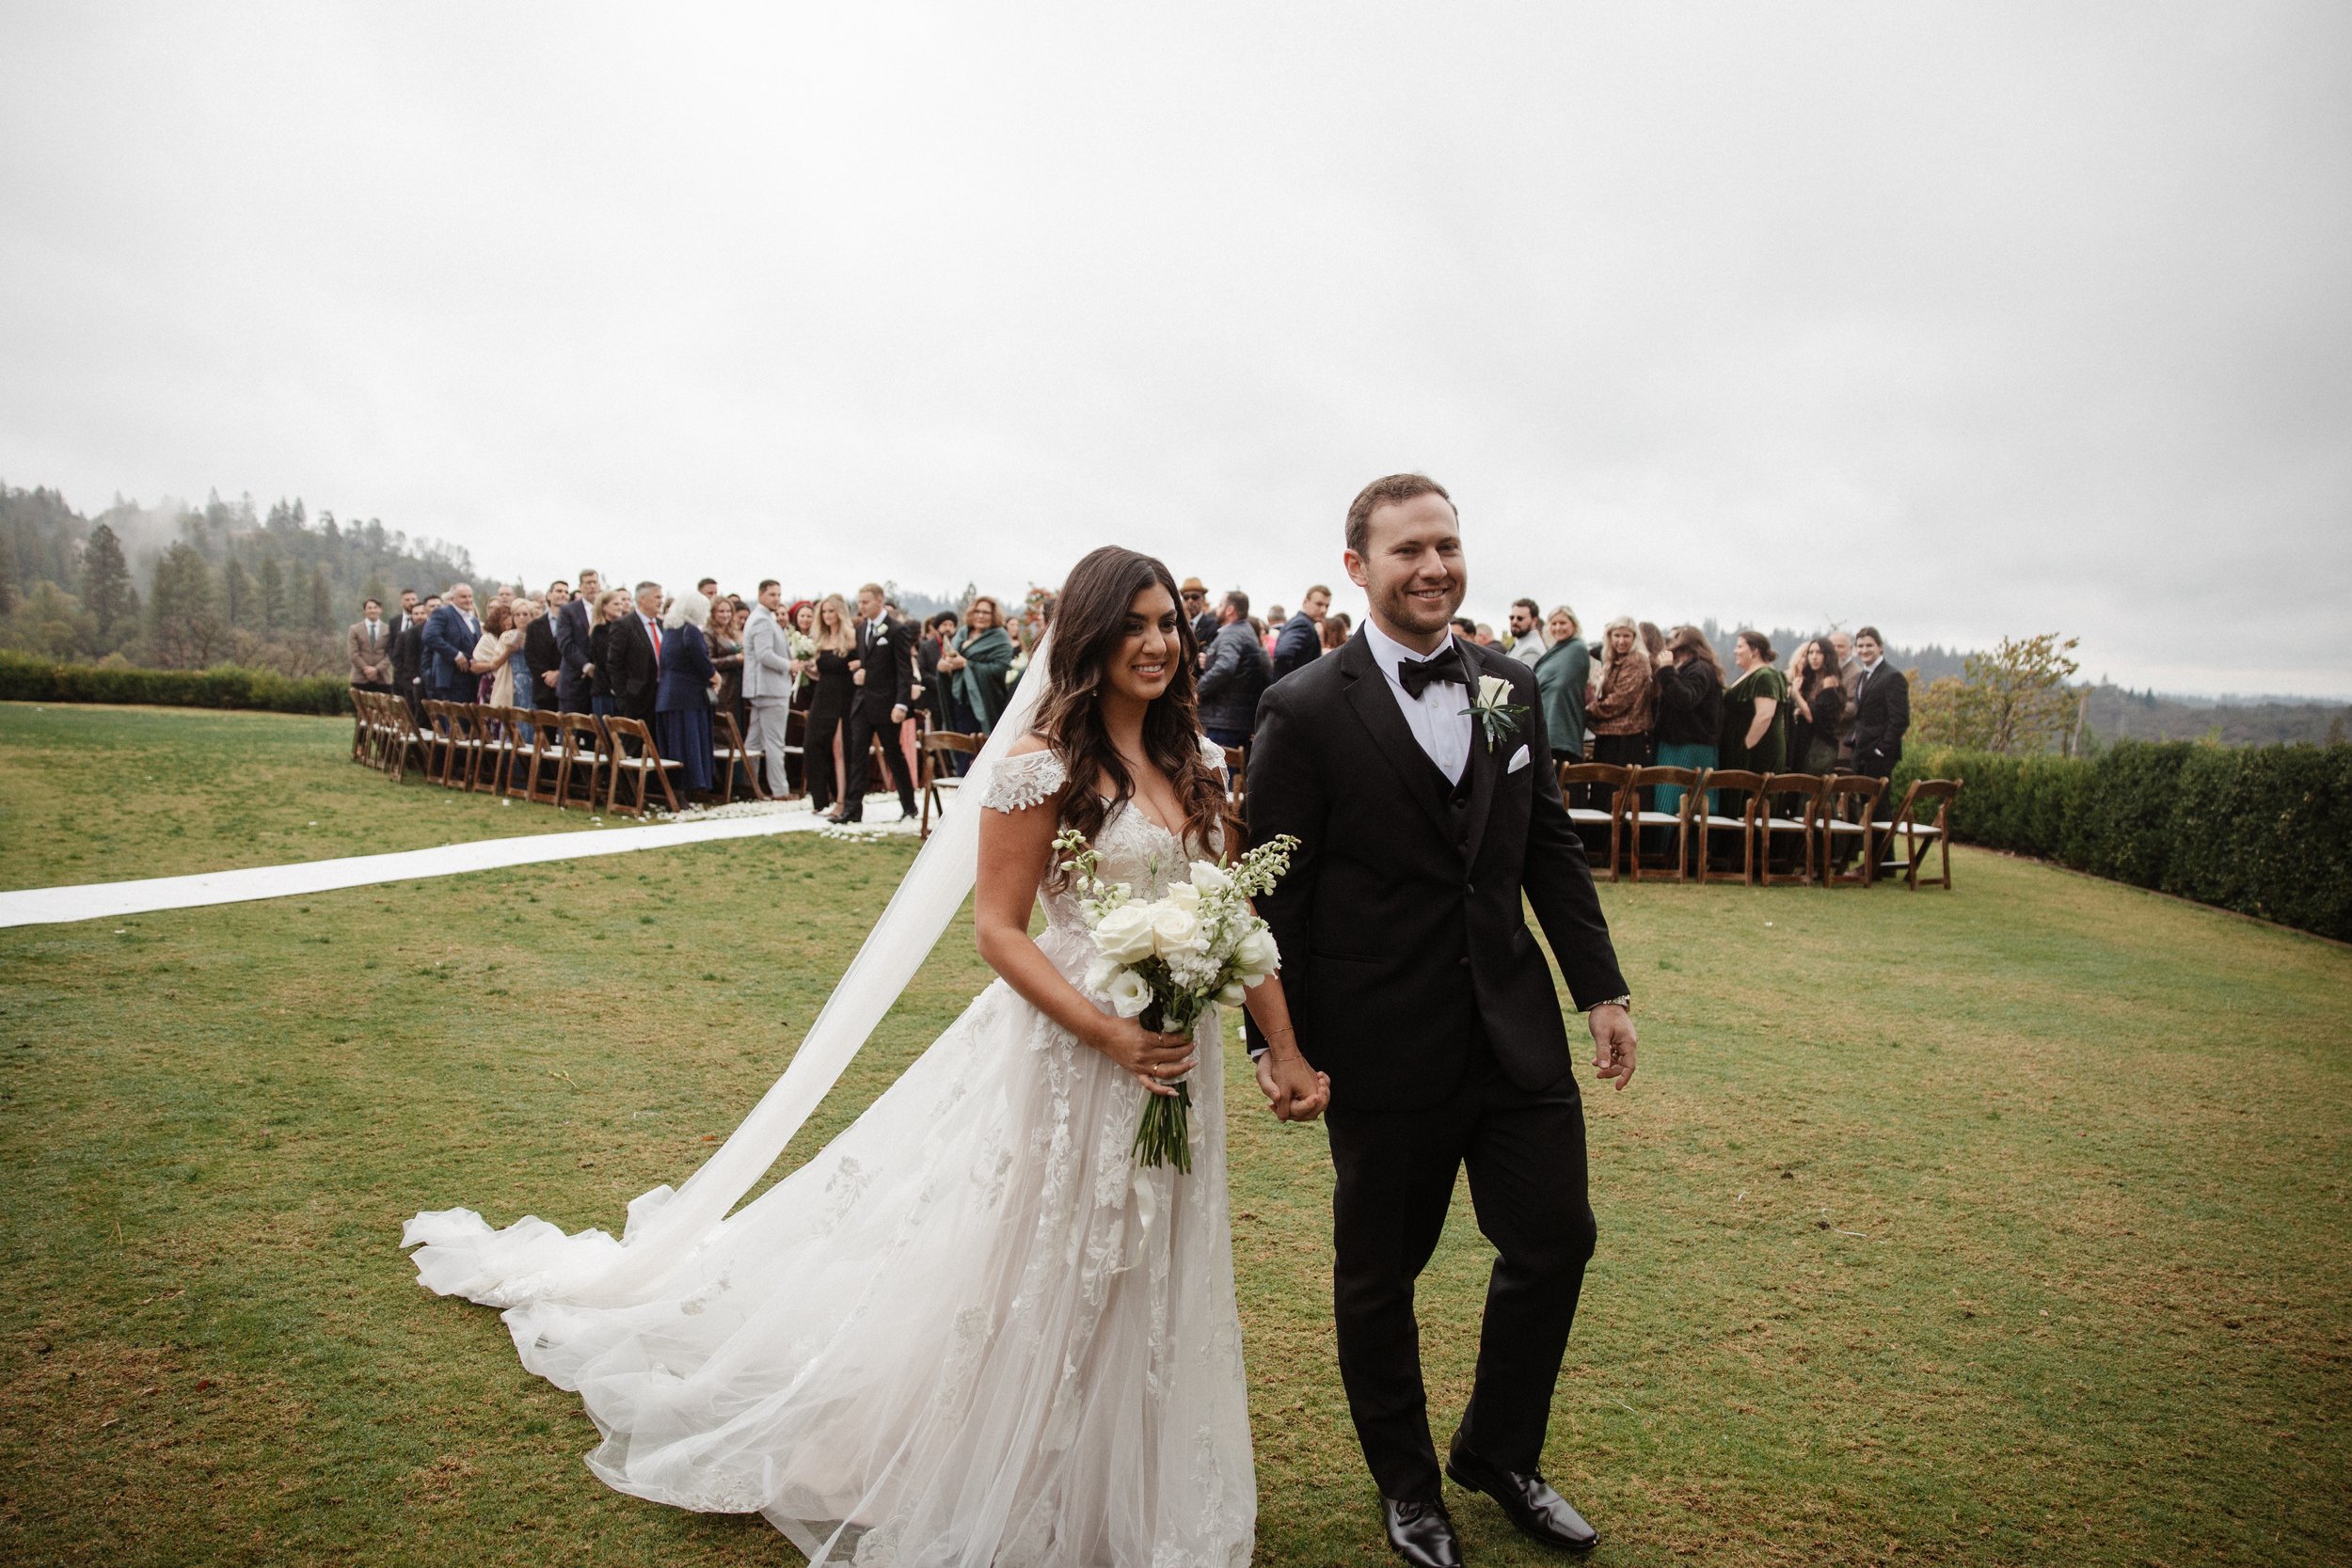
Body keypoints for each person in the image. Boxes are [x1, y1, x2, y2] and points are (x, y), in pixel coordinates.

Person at [407, 545, 1331, 1567]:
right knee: (1051, 1249)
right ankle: (1009, 1461)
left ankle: (1123, 1478)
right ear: (1089, 637)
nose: (1157, 643)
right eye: (1134, 625)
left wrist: (1283, 1049)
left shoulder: (1196, 759)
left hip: (1177, 1057)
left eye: (1167, 625)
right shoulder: (1040, 763)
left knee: (1152, 1253)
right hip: (1075, 1050)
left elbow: (1235, 914)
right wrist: (1109, 1031)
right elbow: (999, 930)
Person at [1246, 474, 1632, 1568]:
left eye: (1447, 545)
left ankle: (1498, 1451)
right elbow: (1273, 889)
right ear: (1356, 567)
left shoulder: (1509, 684)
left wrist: (1600, 990)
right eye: (1408, 548)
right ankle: (1408, 1485)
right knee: (1380, 1273)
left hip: (1513, 1028)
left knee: (1556, 1236)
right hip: (1378, 1042)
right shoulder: (1302, 707)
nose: (1434, 566)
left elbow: (1546, 844)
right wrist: (1277, 1041)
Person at [838, 583, 918, 824]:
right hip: (863, 703)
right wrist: (860, 674)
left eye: (865, 602)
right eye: (859, 602)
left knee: (893, 754)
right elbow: (868, 664)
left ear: (879, 601)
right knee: (857, 755)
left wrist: (901, 705)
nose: (861, 606)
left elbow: (904, 671)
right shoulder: (861, 629)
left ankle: (909, 806)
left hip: (887, 704)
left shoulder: (897, 630)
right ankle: (852, 810)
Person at [1650, 626, 1724, 821]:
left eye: (1674, 639)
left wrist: (1666, 671)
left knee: (1674, 803)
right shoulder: (1691, 668)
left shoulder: (1699, 668)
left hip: (1686, 747)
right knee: (1678, 803)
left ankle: (1676, 841)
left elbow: (1685, 699)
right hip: (1681, 744)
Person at [654, 589, 718, 795]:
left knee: (675, 744)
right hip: (689, 697)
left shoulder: (670, 630)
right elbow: (700, 659)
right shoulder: (691, 631)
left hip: (668, 695)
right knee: (689, 743)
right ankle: (691, 784)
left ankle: (678, 787)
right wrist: (714, 676)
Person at [1196, 588, 1272, 753]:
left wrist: (1198, 689)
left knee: (1220, 768)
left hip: (1225, 721)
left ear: (1230, 610)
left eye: (1221, 604)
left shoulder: (1232, 634)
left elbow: (1225, 666)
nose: (1218, 608)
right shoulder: (1244, 631)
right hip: (1233, 718)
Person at [803, 594, 857, 814]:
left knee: (840, 749)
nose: (827, 615)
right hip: (822, 695)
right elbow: (820, 672)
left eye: (831, 611)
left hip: (844, 696)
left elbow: (855, 666)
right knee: (812, 744)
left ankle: (842, 800)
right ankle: (820, 799)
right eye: (824, 611)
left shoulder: (851, 637)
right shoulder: (819, 638)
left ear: (840, 612)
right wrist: (808, 669)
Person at [742, 579, 798, 798]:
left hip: (764, 689)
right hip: (770, 689)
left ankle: (748, 786)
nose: (776, 599)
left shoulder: (765, 618)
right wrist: (789, 665)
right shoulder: (761, 620)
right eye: (772, 594)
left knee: (754, 741)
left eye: (779, 595)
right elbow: (764, 654)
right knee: (774, 742)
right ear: (761, 594)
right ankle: (780, 790)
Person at [1583, 616, 1654, 772]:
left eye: (1626, 636)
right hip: (1609, 735)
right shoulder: (1613, 661)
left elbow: (1619, 700)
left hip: (1626, 738)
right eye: (1617, 635)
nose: (1621, 641)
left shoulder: (1636, 661)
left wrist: (1588, 711)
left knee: (1618, 785)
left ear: (1634, 638)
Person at [942, 594, 1014, 738]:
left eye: (986, 612)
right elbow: (946, 661)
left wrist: (966, 664)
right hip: (958, 697)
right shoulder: (962, 633)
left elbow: (1000, 668)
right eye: (977, 611)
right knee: (959, 741)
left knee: (978, 744)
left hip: (985, 700)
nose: (981, 616)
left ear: (993, 615)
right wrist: (945, 665)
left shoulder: (1000, 637)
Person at [1849, 626, 1909, 791]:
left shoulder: (1892, 677)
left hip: (1880, 757)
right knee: (1862, 803)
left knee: (1878, 803)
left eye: (1869, 645)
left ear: (1880, 647)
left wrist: (1881, 749)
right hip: (1860, 752)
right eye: (1860, 646)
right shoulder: (1862, 675)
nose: (1864, 650)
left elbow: (1900, 720)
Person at [1719, 629, 1788, 775]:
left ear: (1755, 650)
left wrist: (1746, 747)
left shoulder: (1765, 675)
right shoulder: (1753, 674)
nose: (1735, 651)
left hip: (1757, 753)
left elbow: (1764, 715)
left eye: (1739, 646)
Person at [1533, 604, 1590, 762]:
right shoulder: (1554, 650)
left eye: (1563, 623)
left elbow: (1560, 686)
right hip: (1544, 725)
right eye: (1554, 623)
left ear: (1573, 624)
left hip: (1562, 730)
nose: (1558, 627)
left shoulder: (1577, 649)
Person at [604, 581, 665, 727]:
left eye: (661, 597)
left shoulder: (662, 625)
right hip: (636, 700)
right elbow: (614, 664)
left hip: (662, 696)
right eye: (657, 597)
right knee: (636, 740)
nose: (661, 601)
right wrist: (623, 696)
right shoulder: (624, 625)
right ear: (642, 599)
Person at [1787, 637, 1847, 774]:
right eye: (1811, 652)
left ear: (1828, 656)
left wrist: (1795, 693)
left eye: (1819, 652)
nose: (1814, 657)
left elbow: (1812, 716)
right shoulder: (1812, 681)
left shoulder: (1830, 681)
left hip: (1819, 747)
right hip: (1804, 743)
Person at [421, 583, 482, 703]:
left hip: (471, 678)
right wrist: (455, 655)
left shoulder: (474, 620)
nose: (468, 600)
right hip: (451, 679)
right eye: (463, 597)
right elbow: (429, 636)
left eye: (470, 596)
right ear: (453, 598)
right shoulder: (443, 613)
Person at [1270, 583, 1329, 680]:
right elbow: (1283, 654)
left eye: (1327, 606)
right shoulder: (1302, 624)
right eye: (1319, 604)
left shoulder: (1302, 622)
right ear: (1305, 602)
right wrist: (1290, 683)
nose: (1324, 610)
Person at [585, 589, 628, 719]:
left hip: (619, 691)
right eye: (616, 604)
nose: (620, 607)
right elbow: (606, 661)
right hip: (605, 691)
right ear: (604, 607)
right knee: (606, 730)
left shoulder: (621, 627)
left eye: (621, 603)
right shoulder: (599, 631)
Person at [472, 600, 523, 708]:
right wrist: (495, 664)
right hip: (492, 683)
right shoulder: (488, 639)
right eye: (504, 621)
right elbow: (475, 666)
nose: (508, 624)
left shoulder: (518, 637)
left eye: (510, 621)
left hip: (515, 683)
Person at [556, 574, 596, 713]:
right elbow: (565, 644)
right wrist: (586, 666)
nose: (592, 586)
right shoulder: (568, 610)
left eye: (594, 582)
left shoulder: (605, 609)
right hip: (574, 684)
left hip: (599, 686)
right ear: (580, 586)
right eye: (588, 583)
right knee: (572, 726)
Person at [524, 586, 566, 708]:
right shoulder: (534, 626)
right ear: (549, 595)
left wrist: (560, 673)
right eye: (559, 591)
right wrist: (547, 675)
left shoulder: (574, 623)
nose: (563, 594)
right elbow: (530, 655)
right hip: (544, 689)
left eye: (566, 592)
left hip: (568, 689)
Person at [389, 599, 431, 721]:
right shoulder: (403, 635)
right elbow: (398, 660)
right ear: (411, 616)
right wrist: (409, 682)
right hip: (411, 685)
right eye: (416, 614)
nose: (419, 616)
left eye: (422, 613)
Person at [1830, 627, 1863, 768]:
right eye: (1833, 646)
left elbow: (1853, 707)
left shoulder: (1856, 673)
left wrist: (1826, 713)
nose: (1836, 650)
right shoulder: (1828, 671)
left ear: (1851, 649)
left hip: (1842, 743)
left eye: (1841, 646)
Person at [347, 597, 393, 693]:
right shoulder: (354, 629)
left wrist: (376, 669)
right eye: (369, 608)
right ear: (365, 611)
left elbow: (391, 654)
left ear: (380, 610)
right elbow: (353, 654)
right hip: (360, 678)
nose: (372, 610)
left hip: (383, 678)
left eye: (375, 608)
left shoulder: (389, 629)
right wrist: (366, 669)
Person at [1180, 575, 1218, 652]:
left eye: (1195, 597)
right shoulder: (1177, 624)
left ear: (1203, 599)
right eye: (1186, 597)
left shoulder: (1213, 626)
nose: (1190, 601)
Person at [1505, 597, 1547, 668]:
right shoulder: (1521, 643)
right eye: (1512, 617)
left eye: (1520, 618)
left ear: (1534, 621)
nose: (1514, 621)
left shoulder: (1532, 649)